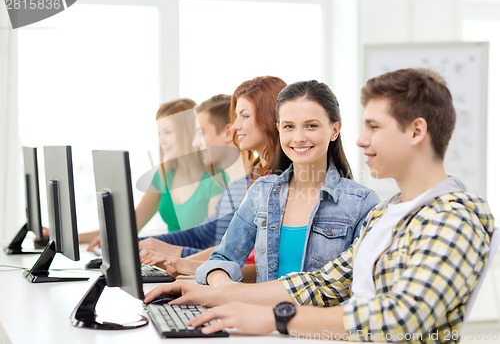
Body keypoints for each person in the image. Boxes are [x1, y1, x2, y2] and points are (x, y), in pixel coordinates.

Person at [144, 70, 495, 341]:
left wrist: (278, 317)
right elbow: (322, 282)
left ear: (416, 132)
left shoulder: (453, 216)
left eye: (373, 126)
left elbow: (402, 317)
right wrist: (215, 293)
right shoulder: (387, 213)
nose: (361, 139)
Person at [187, 79, 379, 286]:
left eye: (311, 126)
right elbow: (223, 259)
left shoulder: (362, 203)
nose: (298, 137)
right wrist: (224, 285)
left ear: (335, 129)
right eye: (289, 126)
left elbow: (360, 284)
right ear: (279, 129)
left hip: (320, 318)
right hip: (259, 316)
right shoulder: (261, 192)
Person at [138, 76, 287, 262]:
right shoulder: (249, 180)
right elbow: (209, 237)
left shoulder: (272, 182)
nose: (235, 126)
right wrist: (147, 244)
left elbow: (240, 253)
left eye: (245, 116)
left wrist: (181, 259)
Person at [81, 98, 228, 249]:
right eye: (159, 133)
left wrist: (149, 245)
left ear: (189, 132)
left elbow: (213, 243)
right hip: (167, 261)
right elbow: (126, 229)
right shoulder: (163, 176)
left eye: (168, 132)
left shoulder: (216, 178)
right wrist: (77, 238)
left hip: (192, 264)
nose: (162, 141)